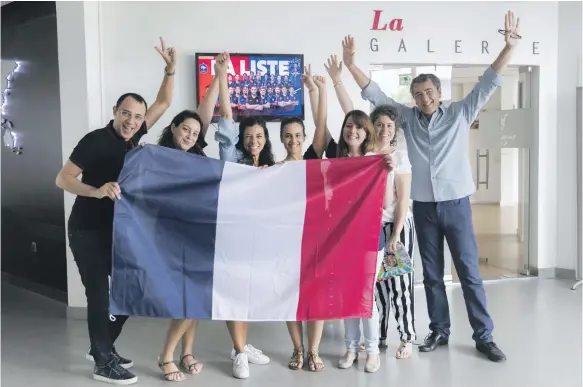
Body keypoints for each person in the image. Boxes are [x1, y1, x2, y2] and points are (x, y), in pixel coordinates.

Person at [340, 11, 521, 363]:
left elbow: (487, 82)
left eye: (429, 92)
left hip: (455, 204)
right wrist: (351, 66)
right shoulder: (405, 118)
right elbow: (374, 95)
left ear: (439, 92)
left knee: (468, 271)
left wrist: (508, 48)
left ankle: (483, 335)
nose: (424, 98)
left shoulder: (459, 113)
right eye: (418, 94)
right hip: (421, 207)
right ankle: (439, 329)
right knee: (433, 273)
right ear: (412, 98)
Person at [55, 38, 176, 385]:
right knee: (99, 293)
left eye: (138, 117)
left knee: (131, 289)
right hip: (86, 230)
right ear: (115, 111)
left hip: (116, 231)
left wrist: (169, 68)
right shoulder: (95, 140)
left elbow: (164, 101)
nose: (133, 121)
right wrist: (96, 190)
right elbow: (62, 178)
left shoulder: (133, 137)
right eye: (126, 114)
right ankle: (102, 362)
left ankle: (102, 346)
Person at [324, 55, 417, 359]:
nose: (384, 129)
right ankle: (372, 341)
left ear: (395, 128)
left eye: (390, 125)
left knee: (400, 284)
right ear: (372, 128)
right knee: (371, 289)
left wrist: (396, 234)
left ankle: (406, 338)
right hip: (366, 229)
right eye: (379, 125)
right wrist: (337, 81)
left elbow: (397, 200)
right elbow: (349, 111)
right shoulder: (369, 153)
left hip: (394, 227)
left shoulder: (395, 158)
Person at [155, 73, 222, 381]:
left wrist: (219, 76)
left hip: (197, 235)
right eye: (185, 129)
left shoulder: (195, 154)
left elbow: (204, 113)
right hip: (171, 238)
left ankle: (187, 353)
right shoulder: (158, 157)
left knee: (195, 295)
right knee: (190, 297)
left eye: (195, 132)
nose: (191, 134)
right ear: (173, 128)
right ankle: (166, 356)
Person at [214, 52, 272, 379]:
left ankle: (242, 343)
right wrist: (223, 76)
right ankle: (239, 353)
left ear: (266, 140)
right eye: (249, 136)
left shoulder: (272, 167)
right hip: (232, 236)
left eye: (259, 136)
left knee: (247, 294)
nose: (254, 141)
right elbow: (225, 119)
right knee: (233, 293)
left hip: (257, 239)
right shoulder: (231, 157)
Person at [279, 68, 328, 372]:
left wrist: (317, 91)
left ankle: (313, 351)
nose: (293, 140)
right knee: (289, 296)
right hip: (287, 240)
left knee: (316, 297)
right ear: (282, 139)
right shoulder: (276, 168)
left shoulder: (313, 158)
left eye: (298, 135)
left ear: (304, 137)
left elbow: (321, 124)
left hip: (317, 238)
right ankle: (297, 349)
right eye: (288, 136)